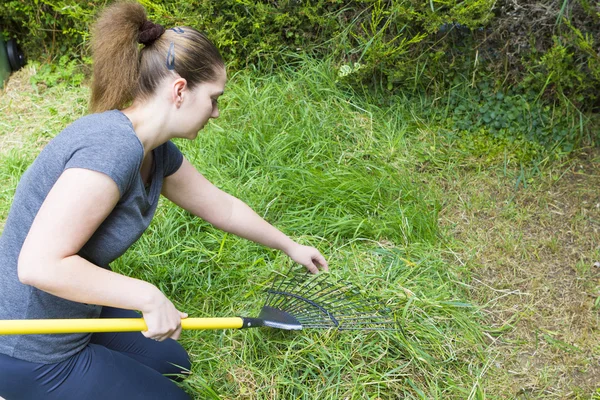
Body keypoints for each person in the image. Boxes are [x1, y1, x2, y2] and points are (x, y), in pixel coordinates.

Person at [0, 2, 328, 399]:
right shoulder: (111, 149)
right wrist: (146, 295)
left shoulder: (154, 150)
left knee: (174, 362)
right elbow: (38, 265)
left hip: (75, 310)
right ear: (179, 90)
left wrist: (289, 245)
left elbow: (220, 205)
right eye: (214, 98)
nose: (217, 112)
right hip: (29, 346)